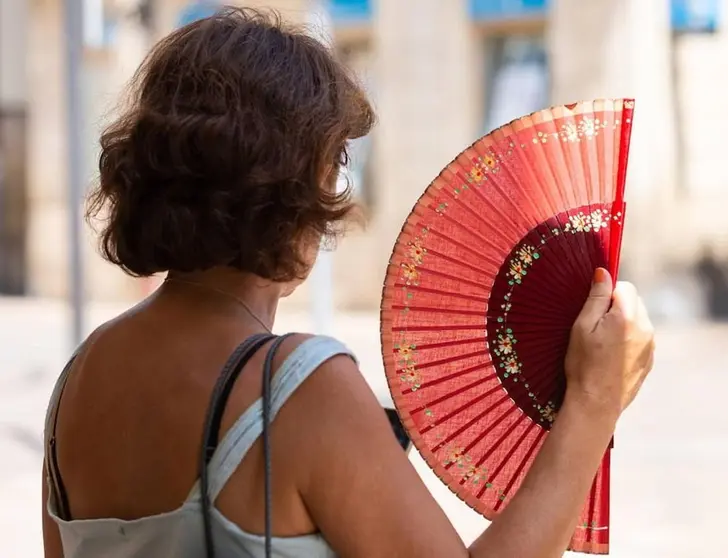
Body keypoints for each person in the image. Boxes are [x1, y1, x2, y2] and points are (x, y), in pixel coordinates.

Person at [41, 8, 656, 558]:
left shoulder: (78, 381)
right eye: (335, 163)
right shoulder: (297, 387)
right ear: (292, 186)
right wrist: (593, 403)